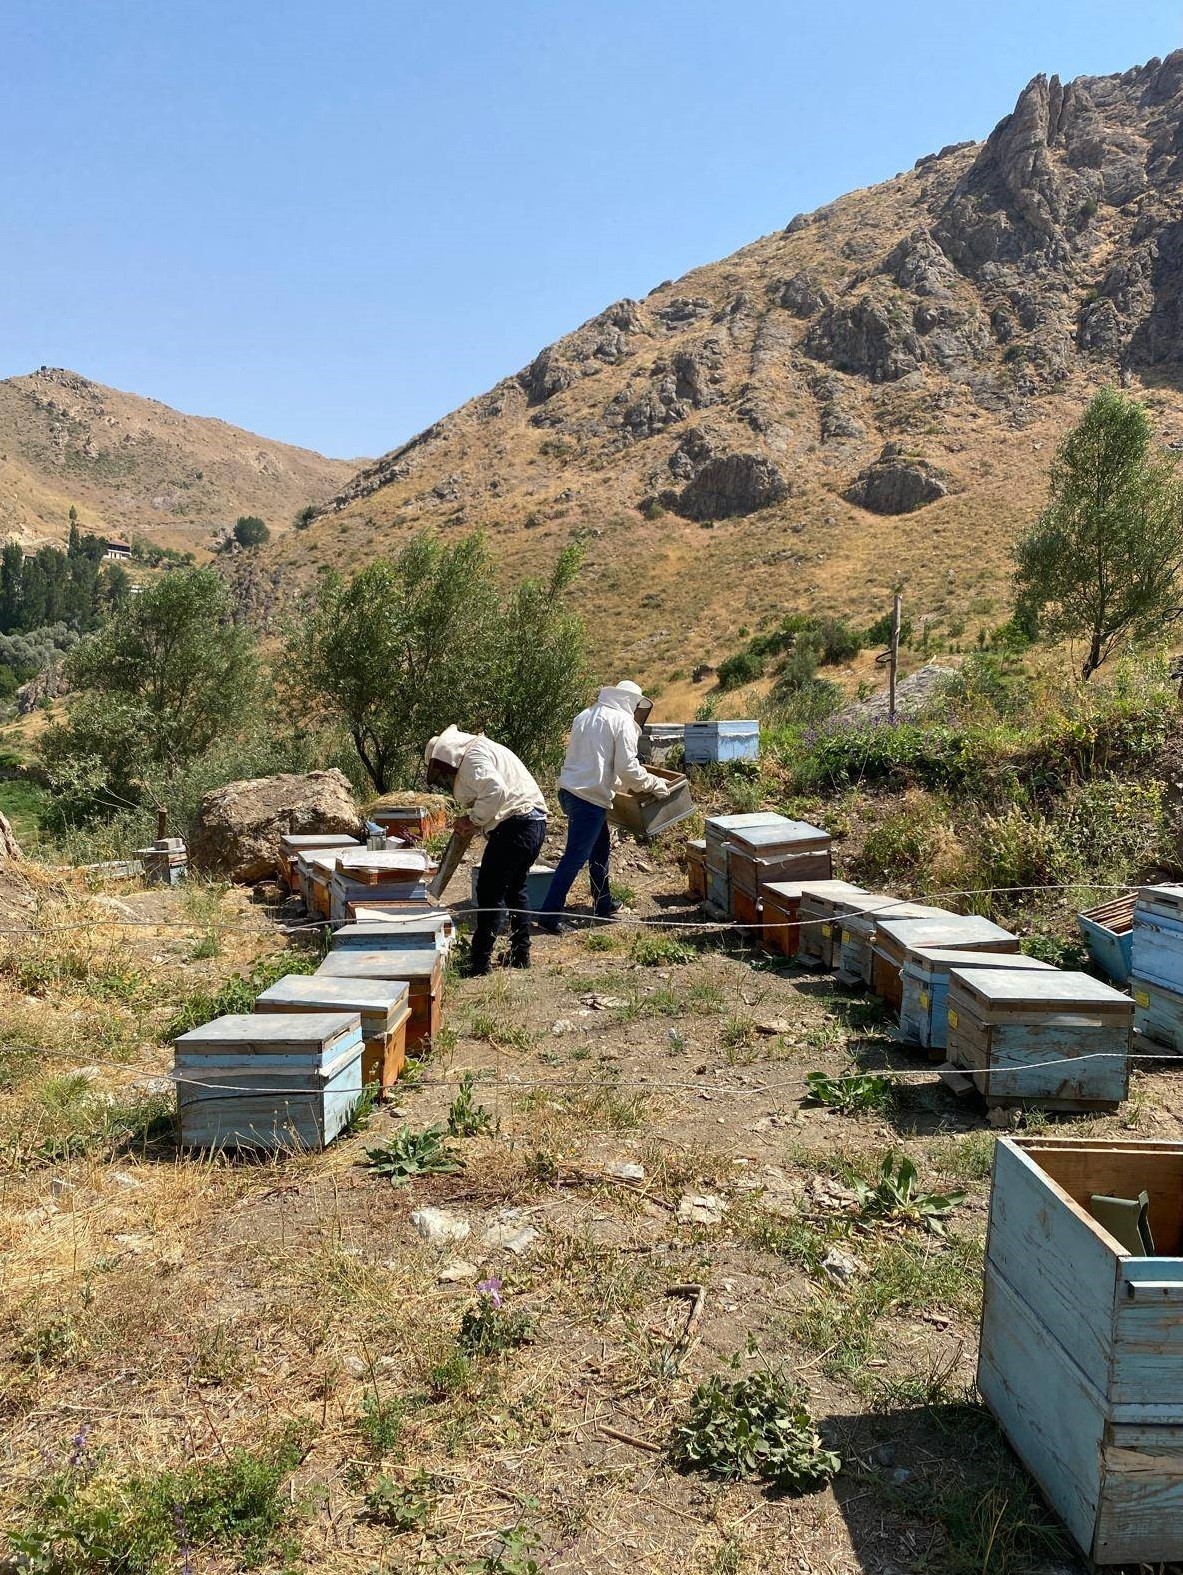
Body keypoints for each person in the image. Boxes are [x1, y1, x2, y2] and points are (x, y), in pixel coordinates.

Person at [537, 680, 669, 934]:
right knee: (574, 857)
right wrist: (653, 784)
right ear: (631, 702)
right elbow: (627, 769)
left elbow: (597, 758)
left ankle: (603, 902)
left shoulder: (585, 715)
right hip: (588, 798)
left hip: (569, 792)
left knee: (599, 848)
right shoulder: (622, 722)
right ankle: (549, 915)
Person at [424, 727, 548, 975]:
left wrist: (472, 820)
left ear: (444, 757)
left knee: (490, 891)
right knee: (515, 888)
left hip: (516, 825)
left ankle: (478, 963)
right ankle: (520, 953)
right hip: (534, 823)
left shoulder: (472, 757)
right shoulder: (483, 750)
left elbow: (495, 790)